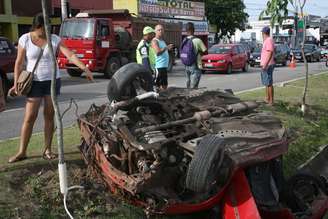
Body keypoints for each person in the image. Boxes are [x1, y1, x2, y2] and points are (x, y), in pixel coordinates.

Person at [8, 13, 94, 163]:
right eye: (45, 27)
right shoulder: (25, 39)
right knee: (30, 117)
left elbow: (70, 55)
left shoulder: (55, 39)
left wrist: (84, 68)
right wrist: (16, 84)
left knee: (49, 116)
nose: (48, 30)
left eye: (50, 27)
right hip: (34, 82)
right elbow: (19, 63)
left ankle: (47, 149)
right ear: (37, 27)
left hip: (52, 82)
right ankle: (22, 151)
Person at [180, 22, 207, 89]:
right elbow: (205, 51)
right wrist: (198, 53)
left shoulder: (184, 40)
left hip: (186, 65)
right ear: (193, 30)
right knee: (194, 88)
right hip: (195, 65)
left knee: (188, 85)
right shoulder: (198, 40)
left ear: (186, 30)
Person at [151, 24, 174, 90]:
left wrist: (168, 49)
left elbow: (163, 50)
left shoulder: (162, 41)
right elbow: (157, 52)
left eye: (162, 30)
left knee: (164, 85)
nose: (160, 31)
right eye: (159, 30)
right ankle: (156, 99)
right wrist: (166, 47)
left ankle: (162, 98)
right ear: (155, 31)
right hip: (159, 66)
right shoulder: (154, 41)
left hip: (164, 66)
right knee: (157, 86)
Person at [260, 26, 275, 105]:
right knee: (266, 82)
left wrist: (265, 64)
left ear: (264, 33)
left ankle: (271, 101)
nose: (262, 35)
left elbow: (270, 52)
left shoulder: (269, 40)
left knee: (269, 83)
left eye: (262, 33)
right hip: (266, 64)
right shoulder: (267, 40)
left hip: (268, 64)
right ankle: (267, 98)